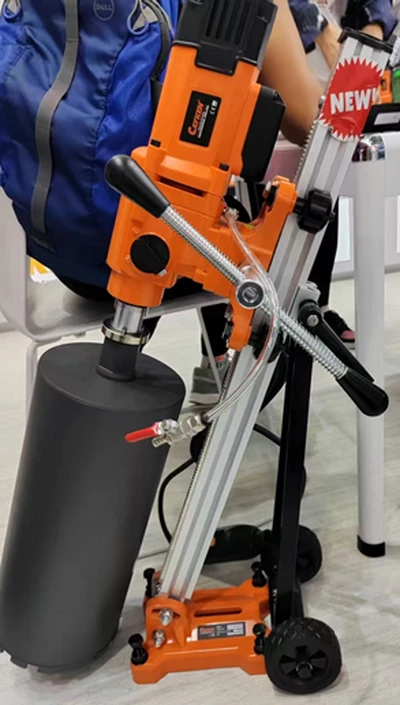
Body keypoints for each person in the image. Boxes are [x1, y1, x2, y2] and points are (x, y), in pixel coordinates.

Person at [284, 0, 397, 351]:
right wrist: (321, 31)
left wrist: (371, 40)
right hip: (283, 87)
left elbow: (379, 14)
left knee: (323, 201)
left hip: (332, 96)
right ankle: (220, 348)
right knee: (268, 209)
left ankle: (316, 307)